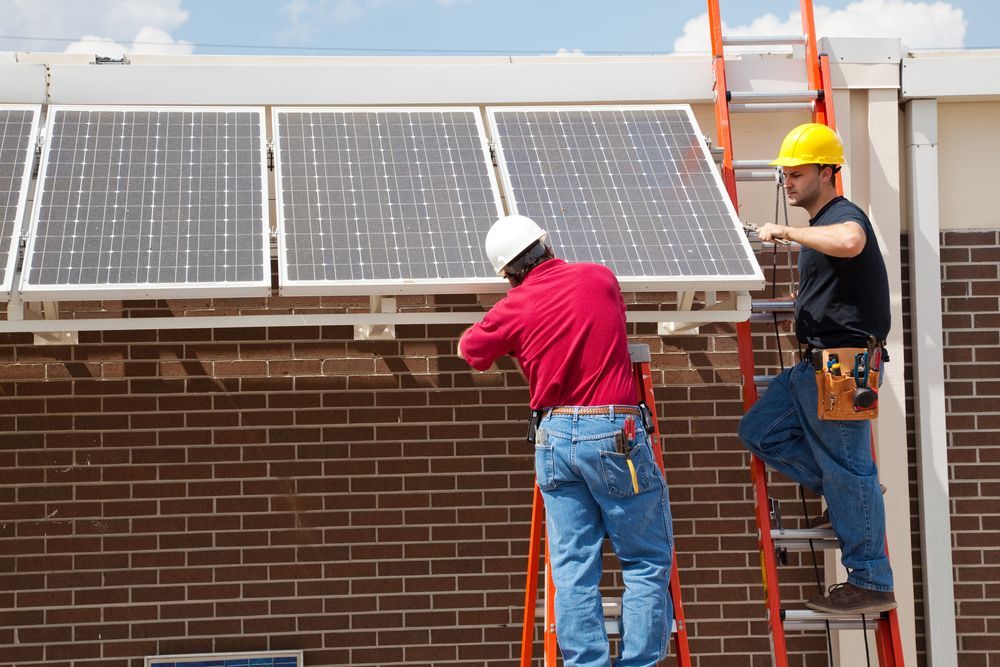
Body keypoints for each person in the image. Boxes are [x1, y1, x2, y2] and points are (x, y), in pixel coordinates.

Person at [458, 214, 674, 667]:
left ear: (509, 273)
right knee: (645, 562)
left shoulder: (513, 307)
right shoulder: (599, 278)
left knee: (573, 569)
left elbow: (470, 351)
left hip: (553, 437)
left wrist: (513, 320)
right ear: (547, 245)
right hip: (614, 432)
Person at [738, 123, 896, 614]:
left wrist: (784, 230)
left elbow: (851, 241)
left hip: (845, 367)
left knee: (849, 467)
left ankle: (871, 580)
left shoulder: (844, 217)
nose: (788, 181)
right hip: (815, 368)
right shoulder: (819, 226)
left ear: (828, 172)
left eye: (797, 173)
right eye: (784, 174)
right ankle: (851, 494)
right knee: (759, 431)